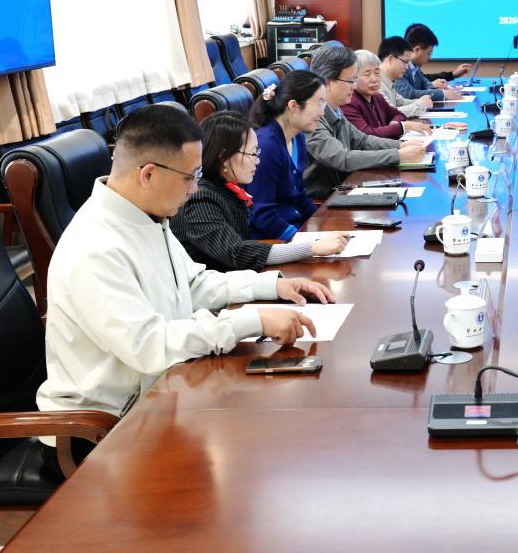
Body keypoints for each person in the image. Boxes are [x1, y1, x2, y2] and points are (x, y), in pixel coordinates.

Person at [36, 105, 332, 472]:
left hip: (157, 397)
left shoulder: (145, 215)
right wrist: (251, 321)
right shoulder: (94, 247)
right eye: (190, 177)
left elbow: (192, 283)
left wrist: (273, 285)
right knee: (249, 462)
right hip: (98, 433)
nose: (194, 189)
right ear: (148, 174)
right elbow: (149, 346)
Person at [170, 111, 349, 271]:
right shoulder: (201, 197)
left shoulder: (227, 187)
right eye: (252, 154)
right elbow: (236, 252)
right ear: (224, 156)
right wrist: (312, 247)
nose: (257, 161)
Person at [304, 44, 427, 198]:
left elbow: (362, 140)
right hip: (325, 197)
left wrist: (401, 145)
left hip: (345, 186)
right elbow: (343, 158)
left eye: (355, 79)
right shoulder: (311, 117)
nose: (354, 86)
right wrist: (398, 155)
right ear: (328, 82)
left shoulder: (335, 108)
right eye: (350, 81)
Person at [246, 70, 329, 241]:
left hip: (295, 231)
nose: (322, 113)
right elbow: (262, 215)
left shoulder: (297, 138)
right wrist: (303, 241)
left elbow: (300, 197)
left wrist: (325, 225)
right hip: (273, 241)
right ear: (293, 106)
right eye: (319, 104)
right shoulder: (266, 146)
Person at [343, 49, 433, 139]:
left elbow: (398, 114)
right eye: (367, 74)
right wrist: (401, 127)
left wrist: (395, 122)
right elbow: (367, 135)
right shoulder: (349, 101)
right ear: (353, 77)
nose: (374, 79)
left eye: (377, 73)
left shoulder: (377, 97)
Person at [395, 23, 470, 104]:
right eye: (428, 53)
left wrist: (445, 90)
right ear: (416, 50)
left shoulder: (415, 67)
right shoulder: (400, 67)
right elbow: (408, 94)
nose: (430, 57)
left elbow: (426, 84)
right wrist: (443, 94)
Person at [377, 35, 434, 117]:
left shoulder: (389, 82)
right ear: (390, 59)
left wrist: (422, 101)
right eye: (405, 62)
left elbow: (401, 102)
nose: (407, 67)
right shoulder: (376, 84)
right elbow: (390, 113)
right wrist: (421, 104)